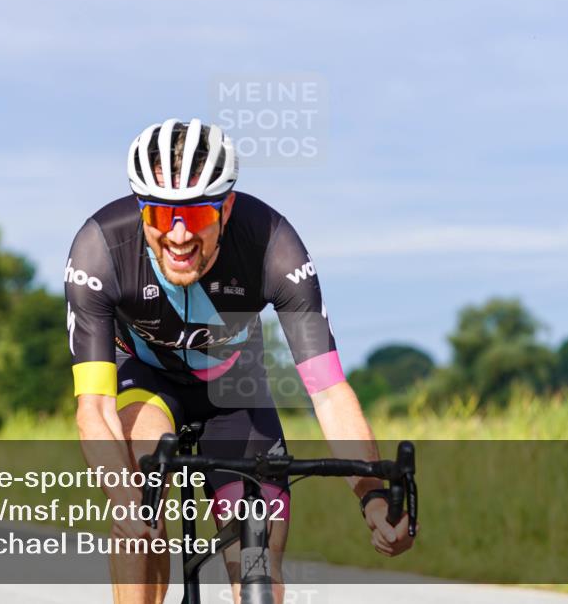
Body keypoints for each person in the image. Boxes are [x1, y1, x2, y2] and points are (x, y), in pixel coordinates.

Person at [65, 118, 415, 604]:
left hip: (234, 394)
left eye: (199, 217)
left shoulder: (273, 245)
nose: (181, 237)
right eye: (164, 218)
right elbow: (95, 409)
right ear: (142, 212)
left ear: (226, 208)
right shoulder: (101, 249)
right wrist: (124, 499)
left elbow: (329, 392)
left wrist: (373, 494)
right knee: (141, 480)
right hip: (144, 382)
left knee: (258, 559)